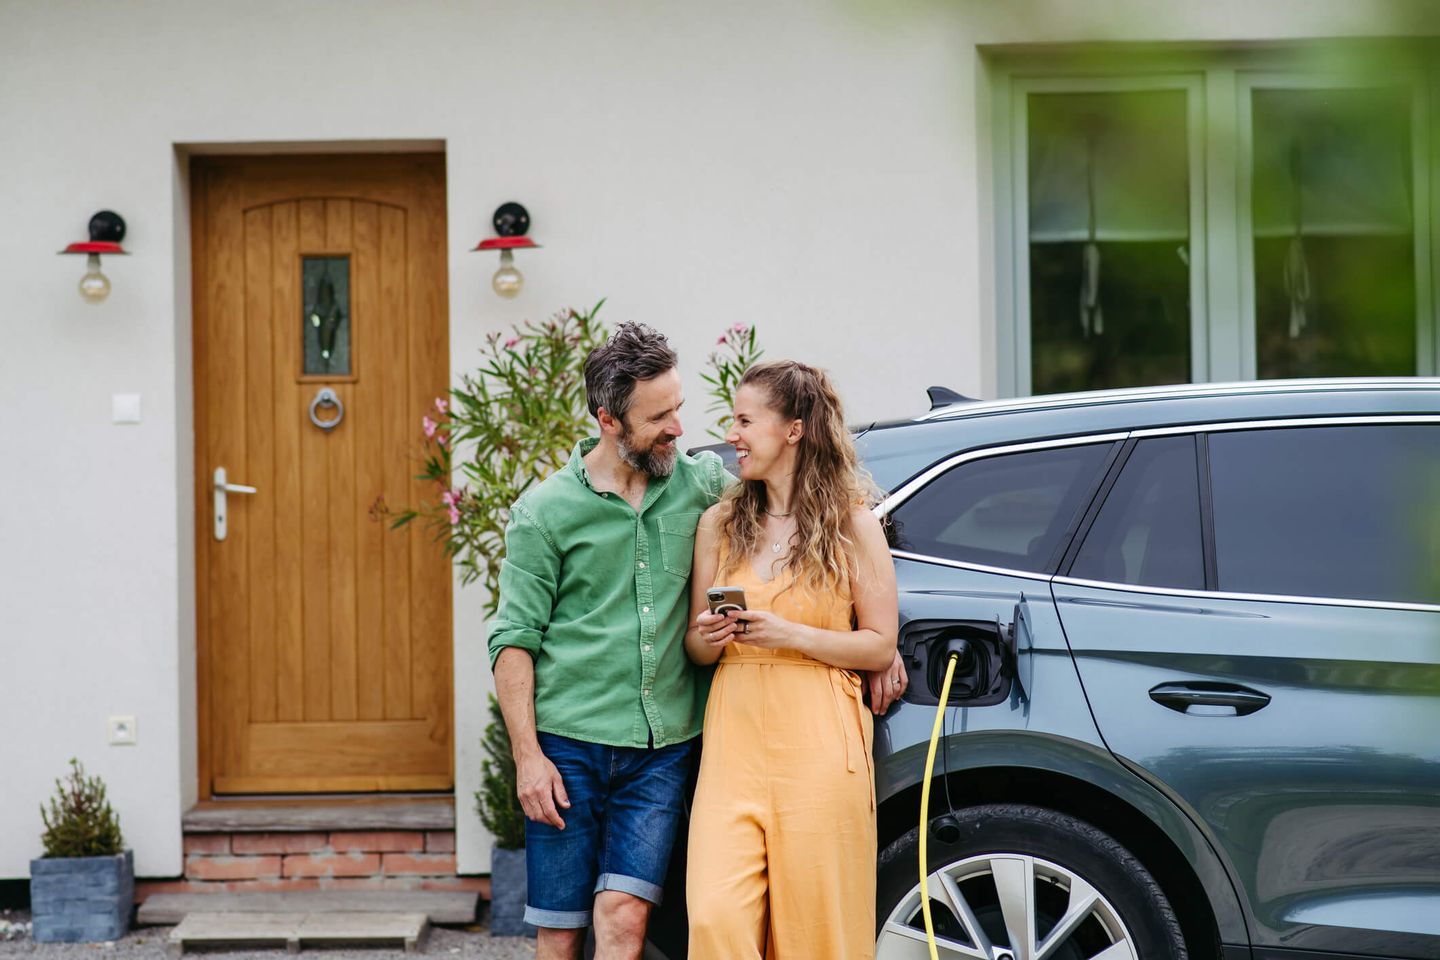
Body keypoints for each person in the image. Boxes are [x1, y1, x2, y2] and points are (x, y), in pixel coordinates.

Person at [488, 323, 729, 960]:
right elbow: (513, 641)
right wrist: (527, 758)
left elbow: (797, 506)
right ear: (608, 419)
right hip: (568, 750)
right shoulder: (545, 511)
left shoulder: (700, 486)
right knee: (560, 932)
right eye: (659, 417)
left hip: (662, 749)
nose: (678, 427)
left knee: (624, 917)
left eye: (679, 408)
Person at [684, 360, 904, 959]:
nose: (732, 434)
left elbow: (879, 644)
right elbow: (696, 649)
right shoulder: (719, 524)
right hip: (734, 739)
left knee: (818, 930)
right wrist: (712, 633)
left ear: (794, 430)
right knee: (713, 919)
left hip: (820, 737)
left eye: (745, 420)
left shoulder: (854, 525)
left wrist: (788, 632)